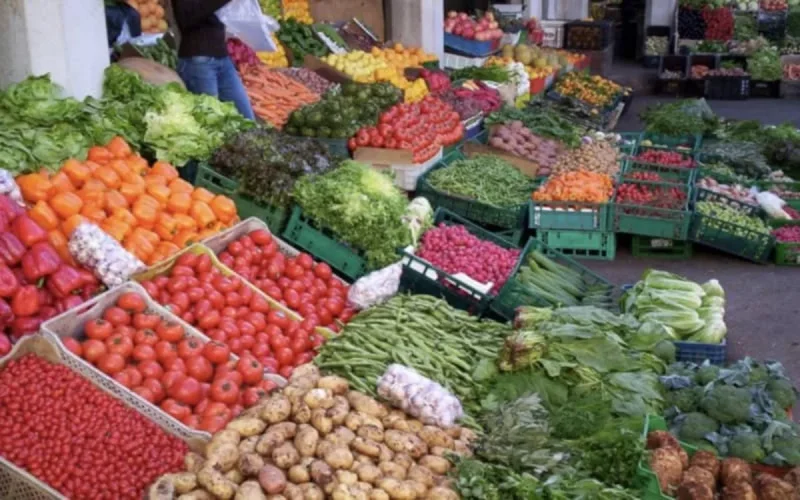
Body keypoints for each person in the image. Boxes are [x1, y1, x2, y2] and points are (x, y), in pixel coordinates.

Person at [167, 0, 255, 119]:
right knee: (210, 122)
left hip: (222, 58)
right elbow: (187, 15)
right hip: (198, 60)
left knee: (247, 120)